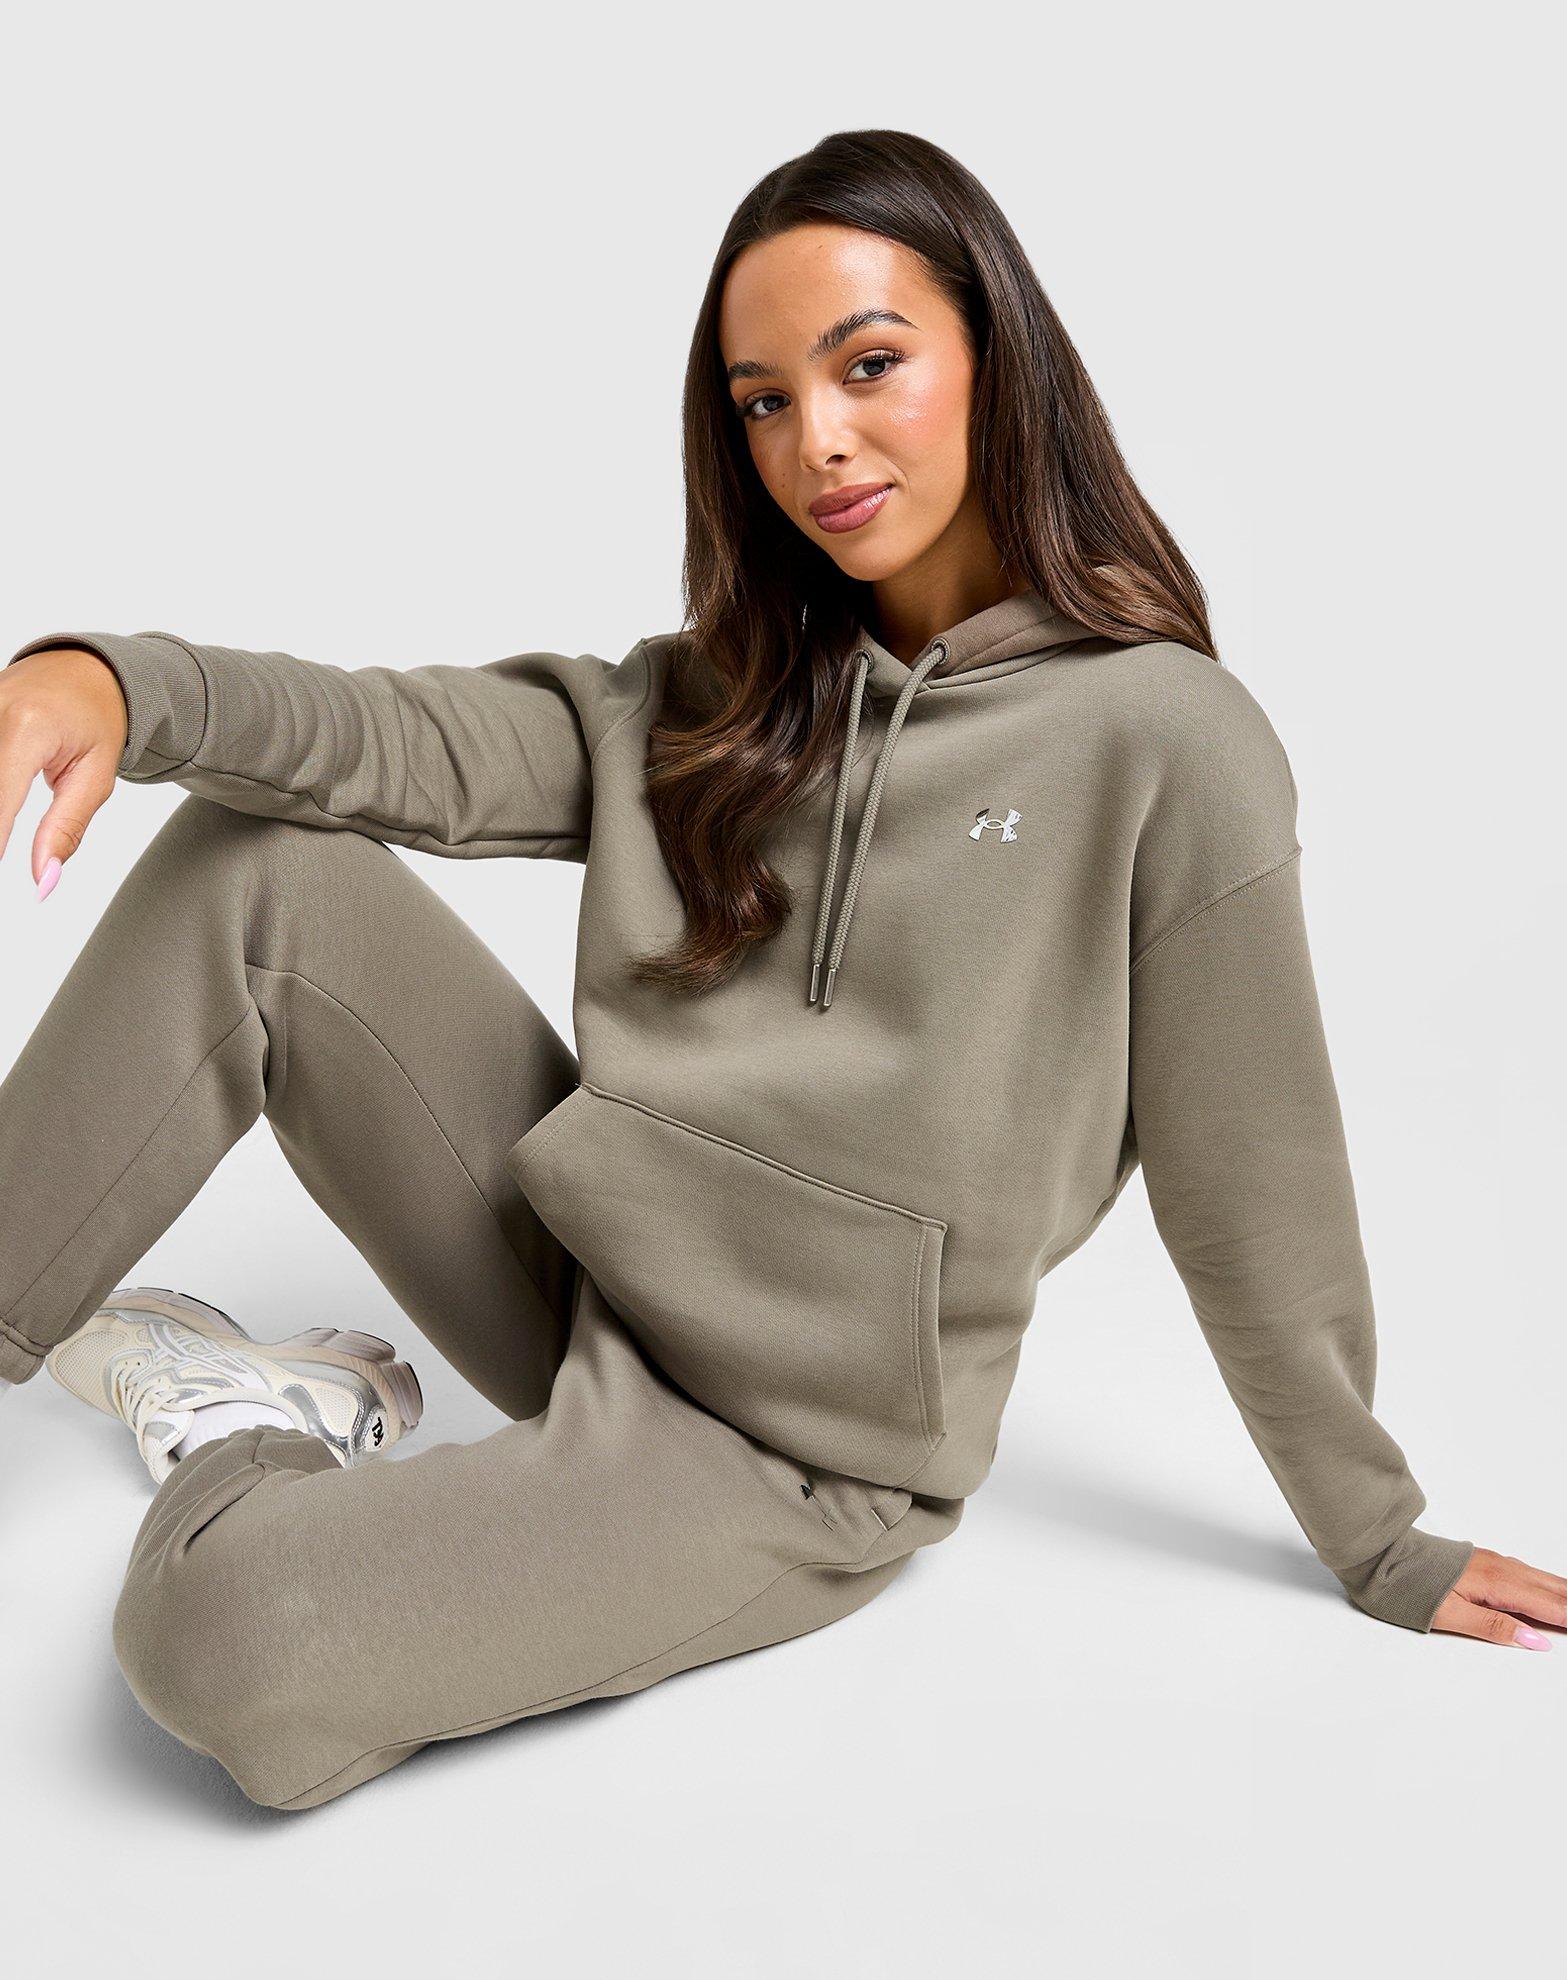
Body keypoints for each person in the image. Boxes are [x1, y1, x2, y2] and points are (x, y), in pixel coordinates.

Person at [0, 128, 1559, 1813]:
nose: (815, 439)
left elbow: (1254, 1176)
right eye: (761, 401)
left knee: (233, 1646)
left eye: (868, 364)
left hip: (785, 1454)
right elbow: (404, 739)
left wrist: (1378, 1537)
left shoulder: (1167, 742)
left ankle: (251, 1419)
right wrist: (119, 685)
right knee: (257, 864)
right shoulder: (726, 697)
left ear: (996, 357)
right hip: (580, 1277)